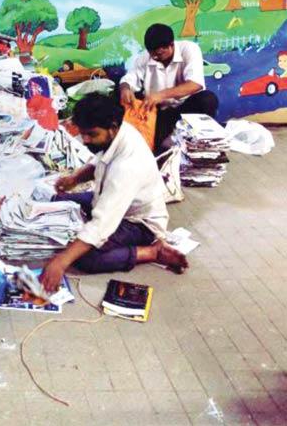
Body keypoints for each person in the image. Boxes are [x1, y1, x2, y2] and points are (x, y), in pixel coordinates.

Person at [39, 93, 188, 292]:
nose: (85, 140)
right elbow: (100, 159)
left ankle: (152, 252)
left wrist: (61, 261)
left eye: (91, 134)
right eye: (83, 133)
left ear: (112, 128)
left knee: (85, 259)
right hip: (105, 198)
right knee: (57, 201)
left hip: (137, 223)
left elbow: (102, 225)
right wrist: (74, 179)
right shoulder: (119, 132)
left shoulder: (127, 167)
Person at [119, 23, 218, 152]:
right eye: (152, 54)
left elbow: (195, 84)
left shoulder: (189, 49)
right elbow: (129, 79)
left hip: (185, 110)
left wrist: (161, 95)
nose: (155, 58)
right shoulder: (145, 57)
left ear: (171, 45)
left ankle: (190, 141)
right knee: (156, 147)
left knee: (208, 99)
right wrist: (125, 89)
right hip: (158, 112)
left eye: (159, 54)